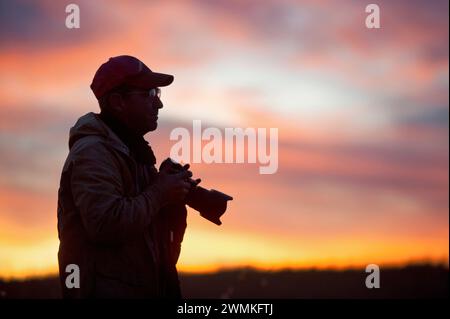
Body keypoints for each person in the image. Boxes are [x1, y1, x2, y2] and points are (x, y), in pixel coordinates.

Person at [57, 55, 197, 298]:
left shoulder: (134, 153)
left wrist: (174, 199)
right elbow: (105, 224)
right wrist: (160, 192)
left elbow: (162, 249)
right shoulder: (93, 152)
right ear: (117, 102)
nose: (158, 104)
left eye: (158, 94)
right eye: (149, 94)